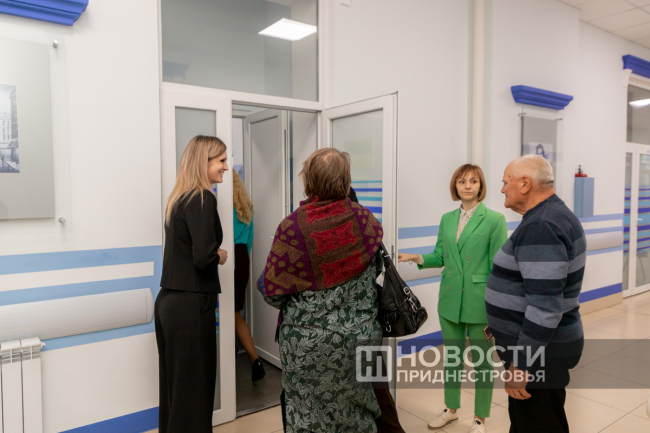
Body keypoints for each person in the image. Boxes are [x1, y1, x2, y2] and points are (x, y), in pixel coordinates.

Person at [257, 148, 383, 433]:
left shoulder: (292, 228)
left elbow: (273, 294)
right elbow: (376, 271)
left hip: (308, 345)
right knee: (359, 414)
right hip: (360, 339)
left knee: (309, 419)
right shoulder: (365, 220)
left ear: (309, 180)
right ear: (346, 180)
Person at [398, 164, 508, 433]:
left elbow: (498, 268)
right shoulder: (447, 219)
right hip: (449, 299)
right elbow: (440, 256)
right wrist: (415, 257)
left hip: (480, 301)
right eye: (462, 181)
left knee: (483, 362)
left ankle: (480, 419)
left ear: (481, 186)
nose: (467, 186)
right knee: (452, 359)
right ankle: (450, 409)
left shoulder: (494, 220)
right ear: (455, 186)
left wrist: (498, 307)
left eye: (473, 181)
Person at [486, 155, 584, 433]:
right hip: (540, 350)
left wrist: (521, 366)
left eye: (506, 182)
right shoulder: (552, 215)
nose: (502, 189)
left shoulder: (541, 226)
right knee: (528, 422)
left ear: (525, 184)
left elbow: (545, 308)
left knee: (539, 424)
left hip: (540, 355)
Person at [156, 135, 229, 433]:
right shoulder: (202, 198)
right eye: (221, 160)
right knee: (195, 394)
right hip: (191, 305)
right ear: (204, 162)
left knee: (176, 392)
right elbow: (203, 257)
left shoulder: (178, 198)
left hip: (169, 303)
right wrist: (220, 255)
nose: (226, 167)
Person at [348, 187, 405, 433]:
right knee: (377, 388)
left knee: (375, 389)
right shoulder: (367, 225)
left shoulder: (354, 227)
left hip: (353, 326)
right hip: (367, 322)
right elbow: (378, 267)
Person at [232, 171, 265, 382]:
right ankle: (255, 360)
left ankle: (227, 356)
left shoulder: (217, 206)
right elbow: (250, 240)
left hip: (225, 257)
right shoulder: (246, 206)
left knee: (221, 312)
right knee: (235, 313)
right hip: (242, 257)